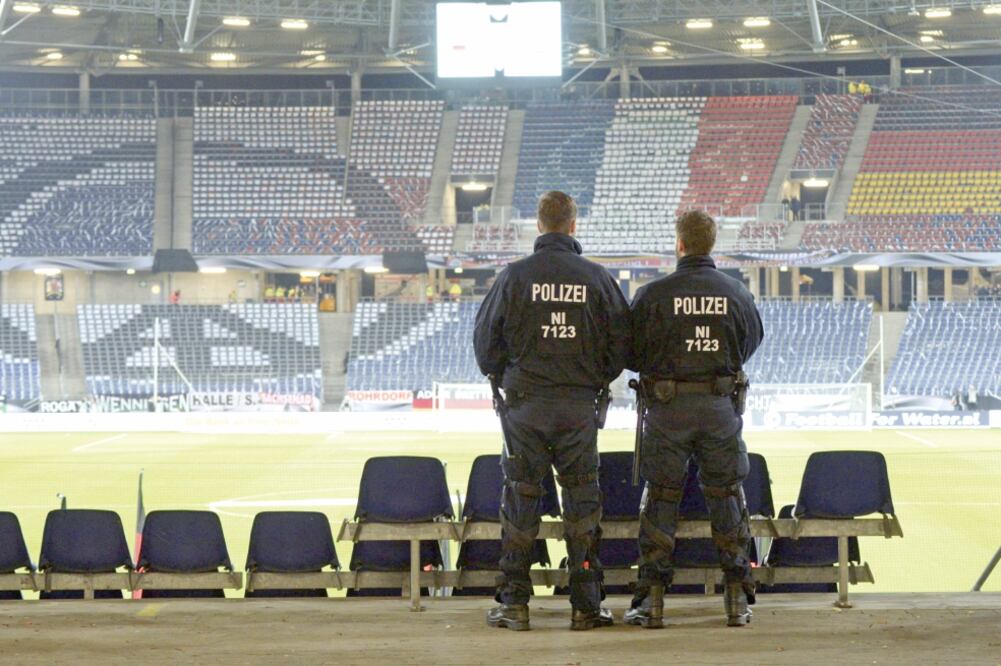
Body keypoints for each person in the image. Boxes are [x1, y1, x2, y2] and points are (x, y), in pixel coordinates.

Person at [474, 190, 631, 632]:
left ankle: (515, 605)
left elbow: (485, 347)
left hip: (524, 407)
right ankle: (586, 606)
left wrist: (510, 374)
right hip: (579, 408)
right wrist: (593, 376)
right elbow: (622, 345)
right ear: (573, 225)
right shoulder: (597, 278)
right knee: (583, 505)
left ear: (539, 226)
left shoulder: (513, 277)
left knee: (521, 500)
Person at [625, 209, 764, 629]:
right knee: (727, 497)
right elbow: (750, 342)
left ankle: (652, 601)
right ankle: (736, 600)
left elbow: (631, 352)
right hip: (720, 408)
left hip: (667, 410)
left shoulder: (653, 294)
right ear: (711, 244)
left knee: (661, 499)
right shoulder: (736, 292)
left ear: (679, 244)